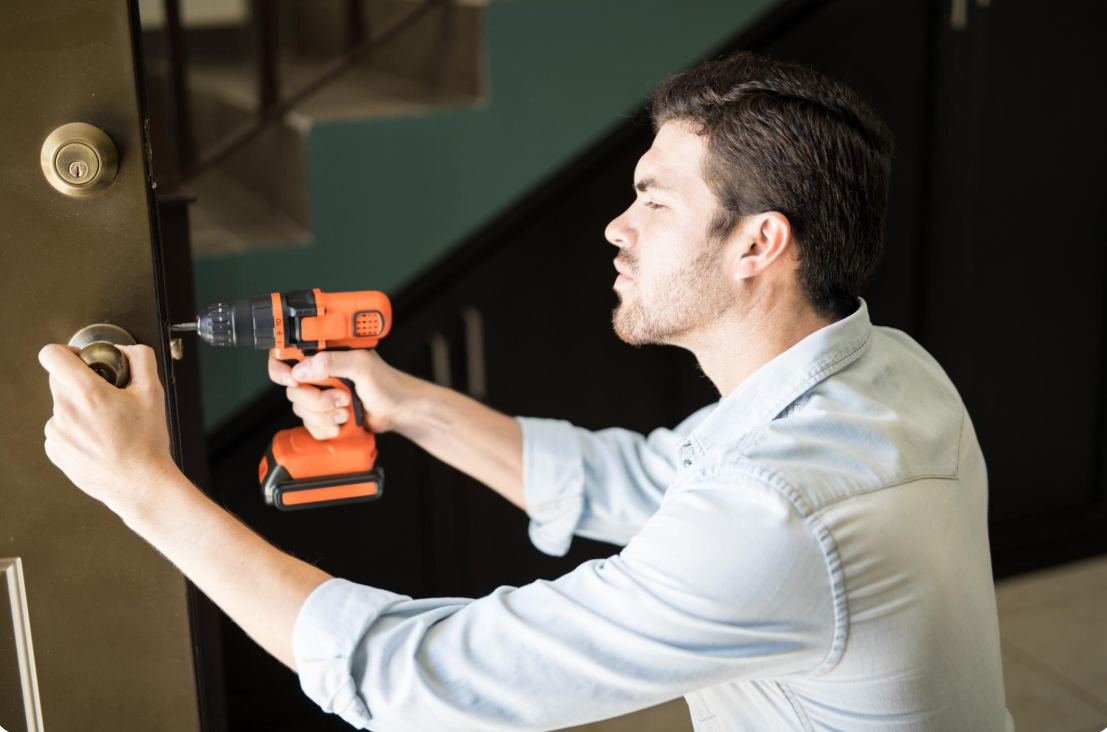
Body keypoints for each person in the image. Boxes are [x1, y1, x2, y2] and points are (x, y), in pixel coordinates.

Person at [39, 50, 1014, 731]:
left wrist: (142, 485)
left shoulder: (778, 514)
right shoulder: (886, 372)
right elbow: (639, 482)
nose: (616, 227)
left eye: (653, 200)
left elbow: (414, 680)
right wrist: (405, 403)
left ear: (759, 243)